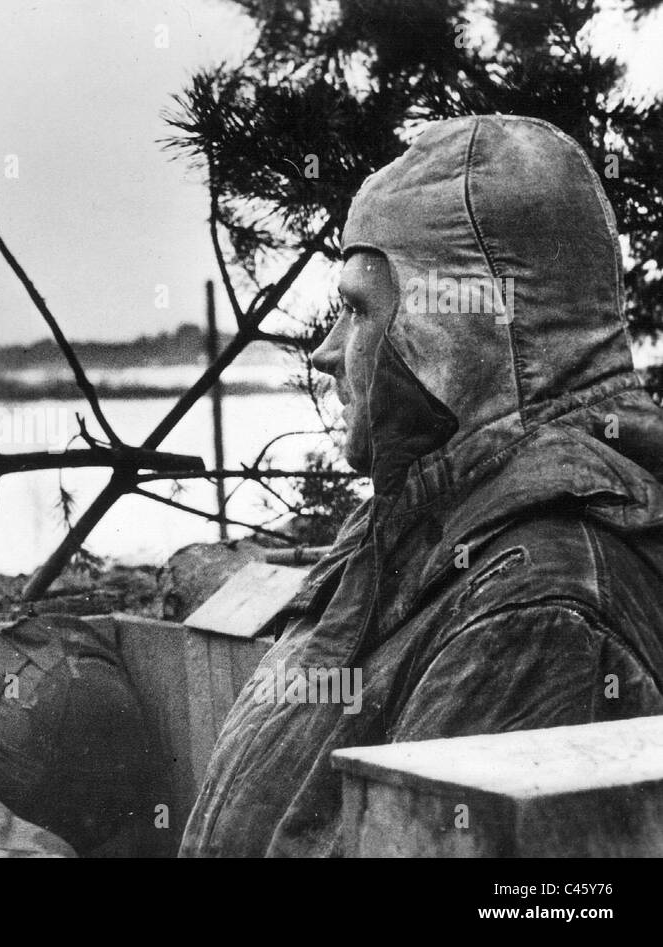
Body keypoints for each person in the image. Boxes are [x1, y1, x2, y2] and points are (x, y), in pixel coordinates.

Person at [180, 114, 663, 857]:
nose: (324, 352)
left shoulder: (537, 611)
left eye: (357, 310)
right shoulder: (422, 530)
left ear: (453, 332)